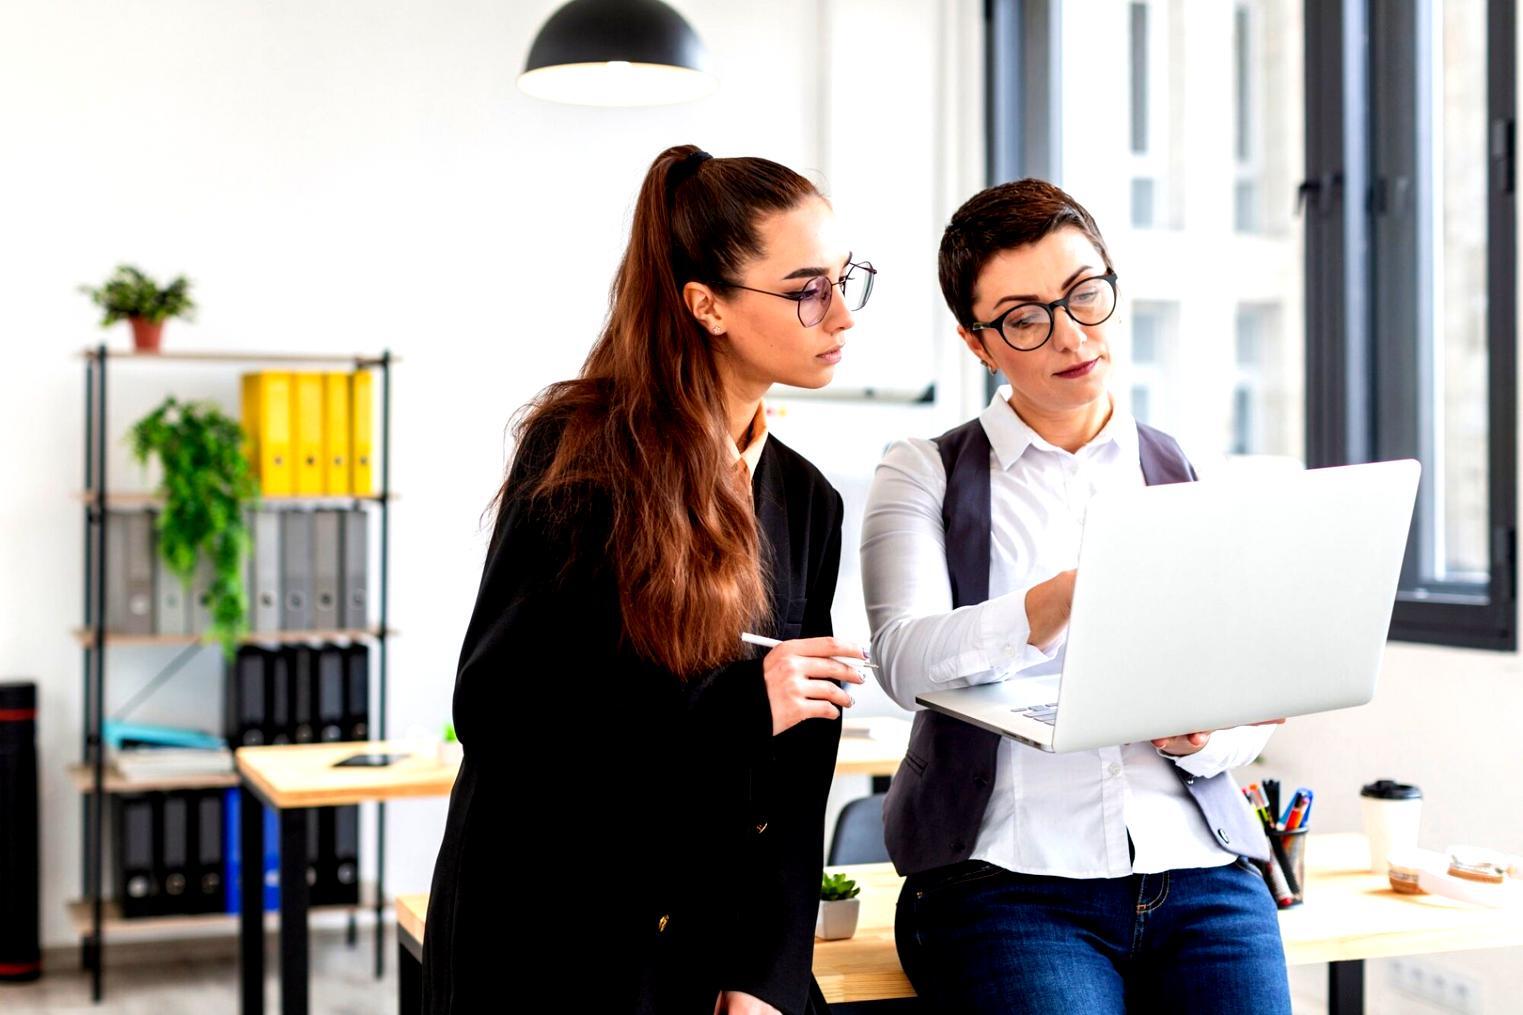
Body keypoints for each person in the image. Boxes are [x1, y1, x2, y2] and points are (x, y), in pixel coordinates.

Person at [423, 145, 877, 1015]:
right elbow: (500, 712)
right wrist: (744, 707)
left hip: (706, 946)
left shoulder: (807, 501)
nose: (842, 315)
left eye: (845, 278)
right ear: (706, 305)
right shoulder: (581, 453)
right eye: (807, 288)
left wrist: (765, 973)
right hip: (553, 938)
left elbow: (799, 774)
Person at [860, 178, 1291, 1013]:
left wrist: (1203, 737)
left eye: (1085, 295)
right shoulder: (924, 470)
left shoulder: (1187, 467)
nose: (1070, 334)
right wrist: (1058, 600)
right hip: (1009, 884)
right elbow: (902, 660)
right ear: (976, 341)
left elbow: (1253, 701)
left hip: (1200, 871)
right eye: (1025, 317)